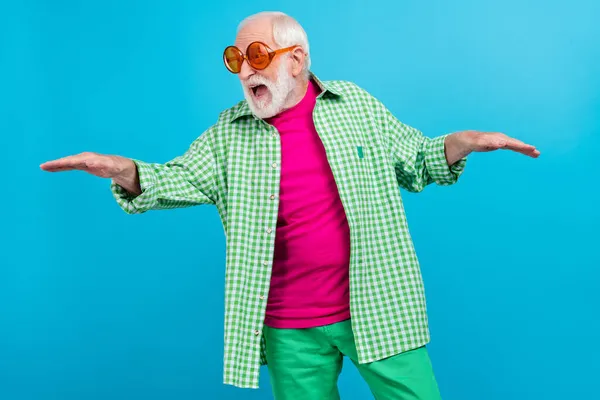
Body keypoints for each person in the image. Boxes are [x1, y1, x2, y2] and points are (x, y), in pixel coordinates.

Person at [40, 11, 540, 400]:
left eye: (256, 55)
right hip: (287, 325)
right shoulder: (227, 135)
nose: (244, 71)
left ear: (295, 60)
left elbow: (417, 159)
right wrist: (123, 170)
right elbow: (177, 179)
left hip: (377, 306)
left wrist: (464, 141)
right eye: (235, 60)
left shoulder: (356, 107)